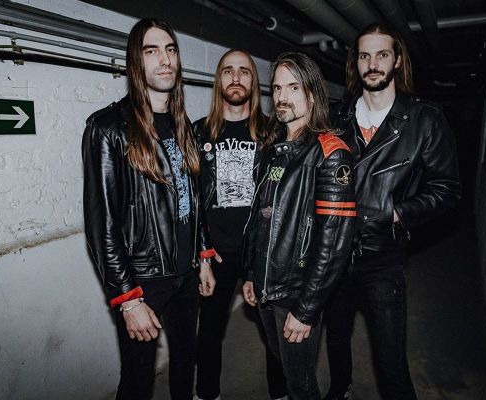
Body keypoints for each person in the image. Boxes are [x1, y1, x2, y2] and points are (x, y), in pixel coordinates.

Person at [323, 23, 461, 400]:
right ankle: (340, 388)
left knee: (390, 363)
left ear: (397, 60)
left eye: (382, 54)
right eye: (364, 56)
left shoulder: (424, 119)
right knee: (336, 335)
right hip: (334, 252)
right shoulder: (335, 118)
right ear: (356, 63)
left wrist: (395, 212)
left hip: (383, 256)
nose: (373, 64)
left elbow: (447, 188)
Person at [82, 18, 216, 400]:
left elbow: (192, 199)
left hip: (186, 274)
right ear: (135, 63)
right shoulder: (109, 128)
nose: (165, 59)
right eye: (151, 51)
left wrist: (202, 255)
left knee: (185, 362)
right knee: (138, 380)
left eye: (170, 50)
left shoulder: (182, 125)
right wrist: (128, 298)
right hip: (143, 280)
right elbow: (102, 225)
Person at [242, 52, 357, 400]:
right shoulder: (272, 147)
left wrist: (306, 309)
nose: (282, 96)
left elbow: (334, 244)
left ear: (312, 94)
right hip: (267, 286)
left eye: (293, 87)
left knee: (301, 384)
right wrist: (251, 274)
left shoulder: (331, 153)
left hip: (296, 292)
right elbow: (260, 217)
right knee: (285, 367)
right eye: (277, 88)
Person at [192, 49, 287, 400]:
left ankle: (281, 393)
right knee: (209, 332)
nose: (235, 78)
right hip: (215, 254)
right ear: (218, 80)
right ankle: (207, 394)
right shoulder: (198, 132)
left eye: (244, 71)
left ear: (254, 81)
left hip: (261, 252)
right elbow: (192, 199)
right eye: (228, 71)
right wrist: (202, 252)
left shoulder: (274, 133)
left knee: (273, 333)